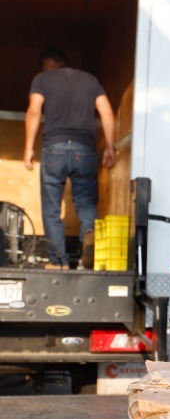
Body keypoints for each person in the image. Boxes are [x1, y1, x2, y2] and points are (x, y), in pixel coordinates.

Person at [24, 47, 117, 269]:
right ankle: (88, 231)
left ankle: (59, 262)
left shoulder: (42, 79)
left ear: (48, 63)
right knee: (86, 201)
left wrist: (28, 147)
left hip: (54, 147)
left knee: (51, 209)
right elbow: (106, 111)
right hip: (84, 149)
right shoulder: (90, 80)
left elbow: (34, 110)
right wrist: (110, 147)